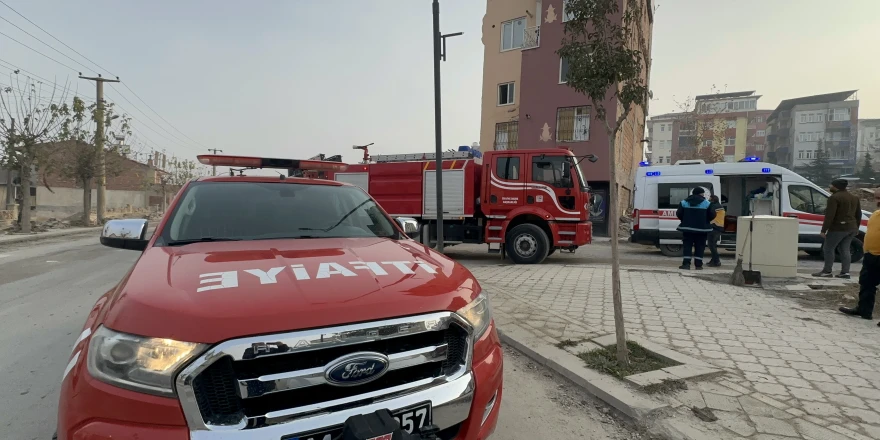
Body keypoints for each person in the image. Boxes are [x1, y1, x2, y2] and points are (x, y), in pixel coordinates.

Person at [839, 188, 879, 326]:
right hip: (871, 255)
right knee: (866, 283)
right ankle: (864, 311)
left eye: (879, 198)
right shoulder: (875, 214)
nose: (877, 201)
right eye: (876, 198)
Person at [813, 179, 862, 279]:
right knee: (845, 249)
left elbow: (830, 215)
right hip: (851, 228)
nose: (830, 186)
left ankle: (827, 271)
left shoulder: (834, 198)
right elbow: (858, 214)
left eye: (831, 185)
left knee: (828, 248)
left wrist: (823, 230)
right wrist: (857, 227)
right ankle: (845, 273)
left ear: (836, 186)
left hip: (838, 228)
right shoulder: (854, 197)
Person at [676, 187, 715, 270]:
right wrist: (705, 221)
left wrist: (685, 220)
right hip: (702, 229)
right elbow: (712, 215)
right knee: (700, 246)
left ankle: (686, 264)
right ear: (701, 194)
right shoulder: (707, 203)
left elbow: (679, 213)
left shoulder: (684, 202)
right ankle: (698, 265)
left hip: (687, 228)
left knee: (687, 246)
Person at [707, 195, 726, 267]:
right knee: (713, 245)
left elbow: (709, 215)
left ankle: (717, 261)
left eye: (709, 199)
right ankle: (713, 260)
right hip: (719, 227)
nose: (708, 200)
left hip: (714, 227)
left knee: (711, 245)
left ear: (712, 200)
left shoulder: (713, 206)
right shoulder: (720, 206)